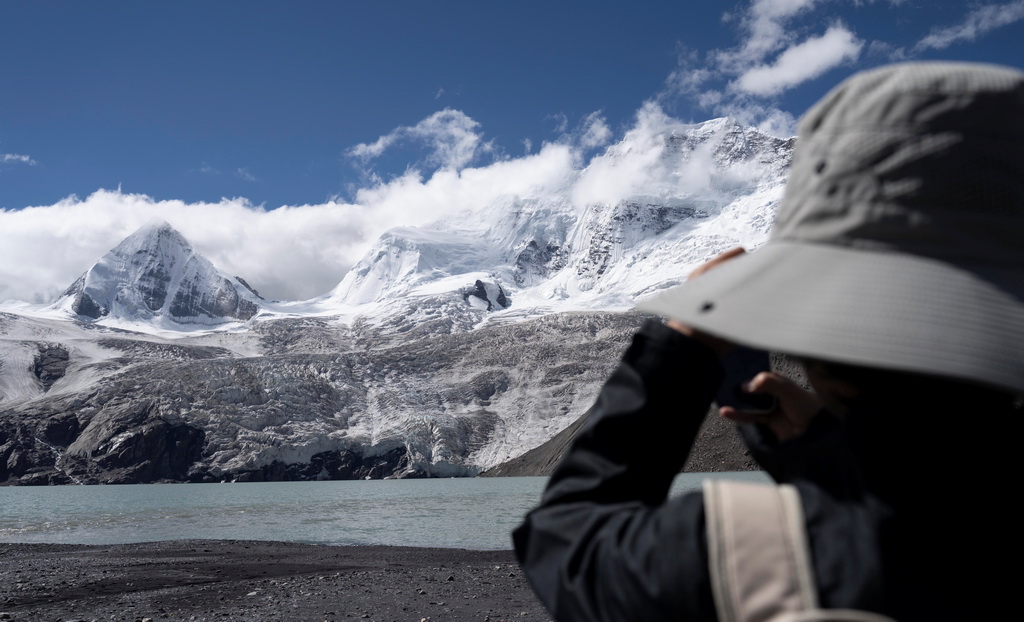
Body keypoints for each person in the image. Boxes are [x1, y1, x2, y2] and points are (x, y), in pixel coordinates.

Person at [512, 61, 1023, 621]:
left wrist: (677, 352)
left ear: (824, 352)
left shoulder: (755, 554)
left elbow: (567, 538)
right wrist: (827, 452)